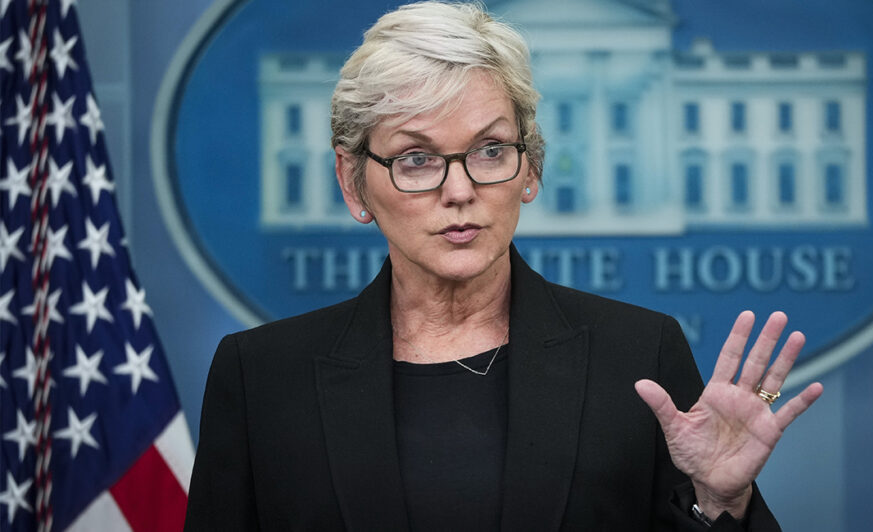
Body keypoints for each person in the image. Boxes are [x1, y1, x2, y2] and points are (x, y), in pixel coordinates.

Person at [184, 2, 824, 530]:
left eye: (490, 149)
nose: (459, 189)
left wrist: (718, 503)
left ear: (531, 169)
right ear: (354, 184)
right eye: (416, 158)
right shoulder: (262, 377)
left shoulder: (638, 356)